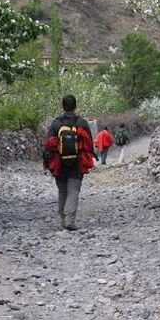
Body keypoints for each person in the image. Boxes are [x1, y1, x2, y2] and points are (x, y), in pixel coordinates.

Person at [42, 95, 95, 230]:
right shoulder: (81, 122)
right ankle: (70, 220)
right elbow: (89, 144)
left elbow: (48, 145)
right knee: (73, 190)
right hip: (77, 162)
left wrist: (47, 163)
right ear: (75, 106)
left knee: (62, 191)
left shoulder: (56, 123)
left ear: (63, 106)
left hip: (59, 163)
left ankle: (62, 220)